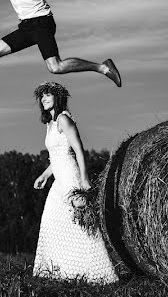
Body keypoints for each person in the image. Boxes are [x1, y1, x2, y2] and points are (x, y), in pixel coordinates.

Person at [31, 81, 118, 284]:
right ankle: (60, 271)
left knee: (80, 224)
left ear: (58, 98)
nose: (44, 99)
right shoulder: (50, 123)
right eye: (42, 96)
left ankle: (97, 273)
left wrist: (84, 179)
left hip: (70, 178)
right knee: (52, 223)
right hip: (58, 179)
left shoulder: (63, 119)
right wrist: (45, 175)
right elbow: (57, 155)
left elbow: (78, 150)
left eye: (48, 95)